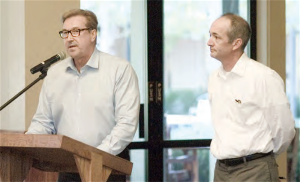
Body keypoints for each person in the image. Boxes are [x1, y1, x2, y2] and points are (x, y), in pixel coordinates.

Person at [26, 9, 140, 182]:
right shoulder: (55, 73)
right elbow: (43, 122)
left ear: (93, 34)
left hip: (107, 167)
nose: (70, 38)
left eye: (76, 31)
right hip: (67, 167)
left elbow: (126, 125)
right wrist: (25, 147)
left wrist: (94, 157)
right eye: (65, 33)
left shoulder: (119, 70)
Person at [207, 13, 295, 182]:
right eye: (210, 35)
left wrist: (262, 157)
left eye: (216, 37)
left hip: (255, 171)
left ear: (236, 43)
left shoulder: (263, 77)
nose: (209, 42)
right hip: (221, 170)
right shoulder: (214, 78)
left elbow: (284, 129)